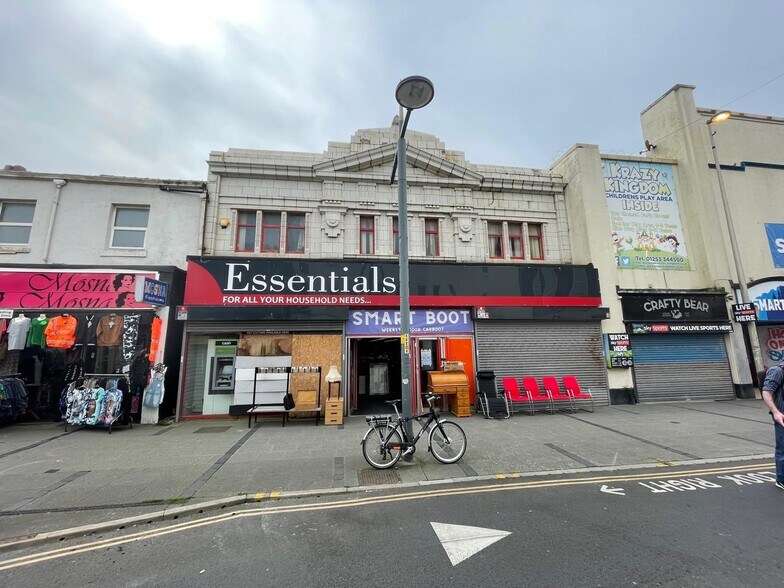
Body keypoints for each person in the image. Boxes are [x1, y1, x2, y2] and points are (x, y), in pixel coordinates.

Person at [761, 364, 784, 490]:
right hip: (782, 416)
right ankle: (782, 479)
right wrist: (775, 412)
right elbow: (766, 392)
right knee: (783, 449)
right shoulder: (777, 371)